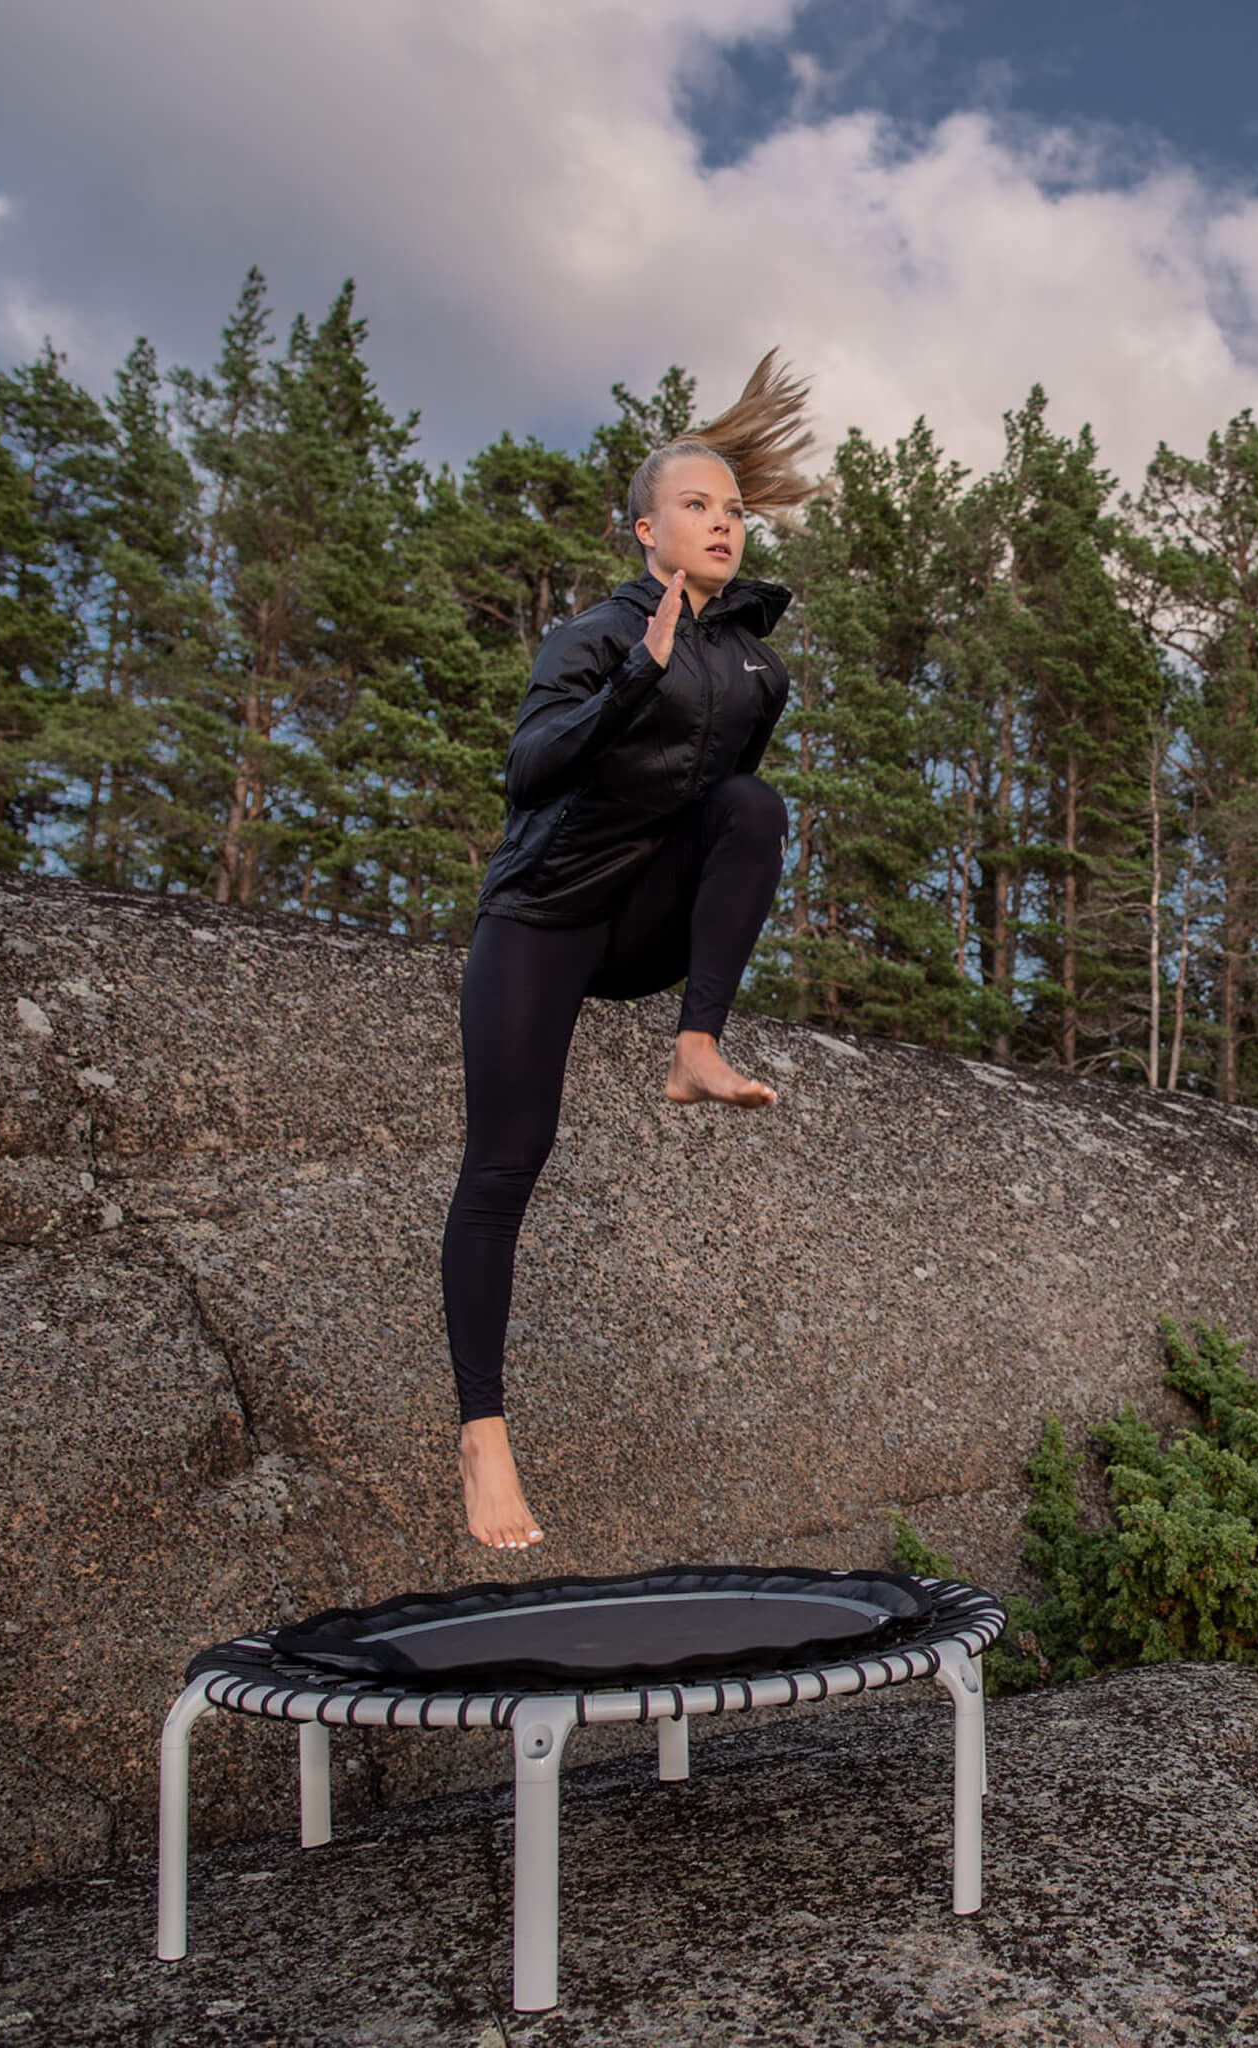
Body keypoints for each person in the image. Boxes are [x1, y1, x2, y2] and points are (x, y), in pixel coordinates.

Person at [442, 352, 816, 1549]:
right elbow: (527, 770)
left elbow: (712, 815)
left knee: (755, 807)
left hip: (640, 924)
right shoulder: (593, 636)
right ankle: (482, 1436)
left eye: (733, 510)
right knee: (506, 1163)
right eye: (697, 506)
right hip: (546, 915)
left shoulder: (756, 664)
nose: (722, 524)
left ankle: (692, 1046)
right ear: (645, 528)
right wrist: (630, 681)